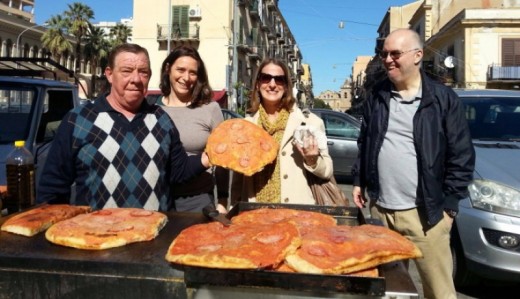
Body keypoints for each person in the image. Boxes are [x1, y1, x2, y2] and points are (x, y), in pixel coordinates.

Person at [351, 29, 475, 299]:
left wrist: (450, 207)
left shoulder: (442, 100)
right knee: (389, 290)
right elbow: (366, 141)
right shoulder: (377, 96)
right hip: (383, 211)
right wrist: (360, 179)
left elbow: (462, 156)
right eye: (384, 54)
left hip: (426, 216)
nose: (387, 60)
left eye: (395, 53)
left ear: (418, 55)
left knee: (439, 292)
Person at [37, 43, 211, 211]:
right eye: (127, 71)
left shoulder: (161, 120)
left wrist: (211, 157)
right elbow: (52, 188)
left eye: (143, 72)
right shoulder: (78, 120)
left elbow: (178, 172)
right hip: (95, 236)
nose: (136, 79)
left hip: (155, 234)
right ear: (110, 74)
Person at [230, 58, 333, 206]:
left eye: (279, 80)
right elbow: (238, 178)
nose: (272, 84)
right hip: (255, 215)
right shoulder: (246, 126)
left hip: (297, 215)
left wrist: (312, 160)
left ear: (286, 86)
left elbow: (328, 171)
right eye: (266, 78)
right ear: (258, 84)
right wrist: (233, 208)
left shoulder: (310, 122)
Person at [157, 45, 228, 213]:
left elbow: (223, 160)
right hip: (159, 199)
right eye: (180, 70)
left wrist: (223, 201)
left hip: (199, 201)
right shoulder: (153, 110)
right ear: (168, 69)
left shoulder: (210, 108)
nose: (186, 77)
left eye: (193, 72)